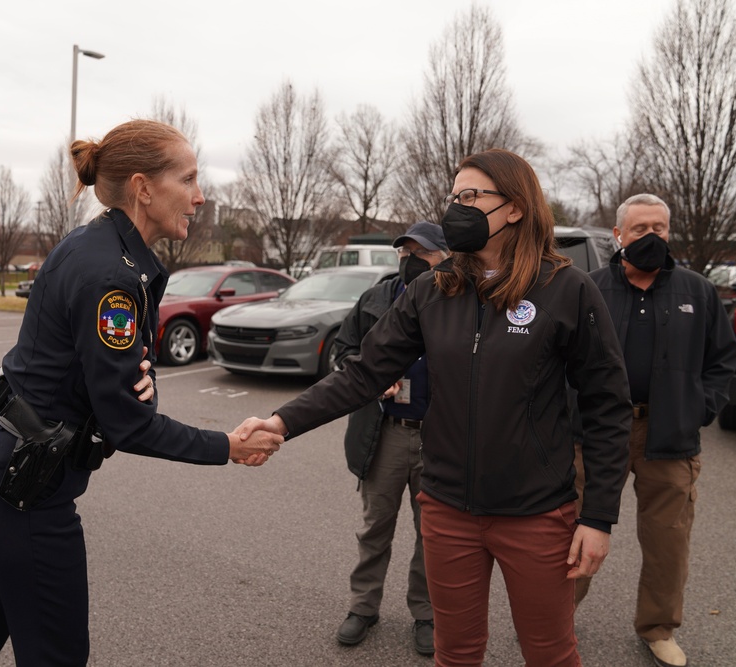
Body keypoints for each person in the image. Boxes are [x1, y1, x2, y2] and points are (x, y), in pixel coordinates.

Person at [238, 149, 632, 666]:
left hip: (536, 512)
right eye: (453, 197)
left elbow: (607, 405)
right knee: (455, 653)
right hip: (447, 510)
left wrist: (598, 516)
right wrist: (281, 422)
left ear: (514, 207)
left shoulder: (566, 289)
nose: (456, 208)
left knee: (551, 654)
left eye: (471, 197)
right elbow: (364, 373)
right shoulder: (432, 289)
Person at [0, 119, 281, 667]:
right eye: (188, 179)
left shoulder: (92, 247)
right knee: (55, 654)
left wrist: (139, 376)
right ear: (143, 188)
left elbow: (85, 373)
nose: (199, 197)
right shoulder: (112, 274)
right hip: (28, 490)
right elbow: (129, 423)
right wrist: (227, 445)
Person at [573, 193, 736, 667]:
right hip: (597, 435)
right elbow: (558, 358)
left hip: (669, 438)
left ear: (669, 232)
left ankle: (658, 627)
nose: (651, 237)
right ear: (619, 236)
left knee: (668, 542)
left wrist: (700, 410)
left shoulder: (698, 292)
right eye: (640, 228)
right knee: (577, 531)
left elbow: (722, 360)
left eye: (659, 228)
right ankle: (555, 618)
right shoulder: (589, 288)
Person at [333, 221, 448, 656]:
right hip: (385, 434)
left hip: (439, 438)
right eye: (404, 253)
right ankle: (363, 607)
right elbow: (344, 352)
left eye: (422, 253)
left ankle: (426, 613)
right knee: (375, 527)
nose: (410, 260)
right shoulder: (376, 299)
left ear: (444, 257)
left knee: (432, 535)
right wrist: (367, 380)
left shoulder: (457, 302)